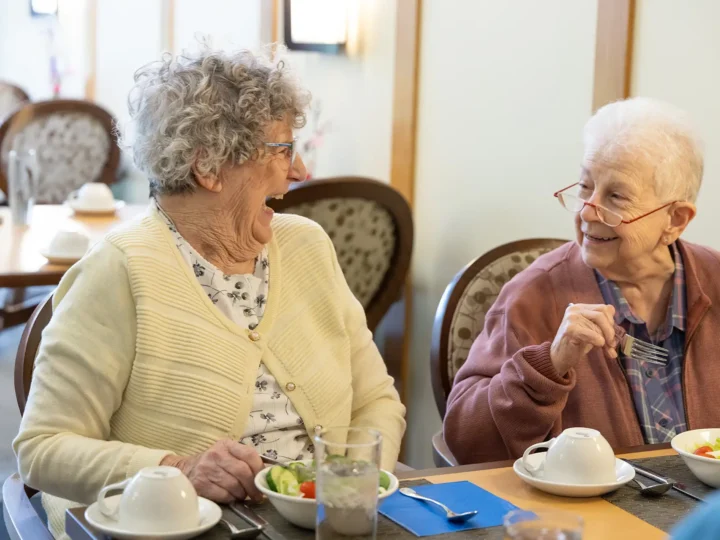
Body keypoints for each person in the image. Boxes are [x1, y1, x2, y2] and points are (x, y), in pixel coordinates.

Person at [13, 48, 406, 538]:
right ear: (209, 167)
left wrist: (345, 491)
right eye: (282, 149)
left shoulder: (308, 246)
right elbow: (43, 448)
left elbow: (377, 401)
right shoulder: (120, 270)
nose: (301, 170)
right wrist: (181, 469)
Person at [444, 97, 720, 464]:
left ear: (676, 220)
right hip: (590, 514)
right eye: (586, 187)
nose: (587, 210)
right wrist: (550, 365)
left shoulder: (714, 280)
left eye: (616, 196)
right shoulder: (534, 294)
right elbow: (467, 440)